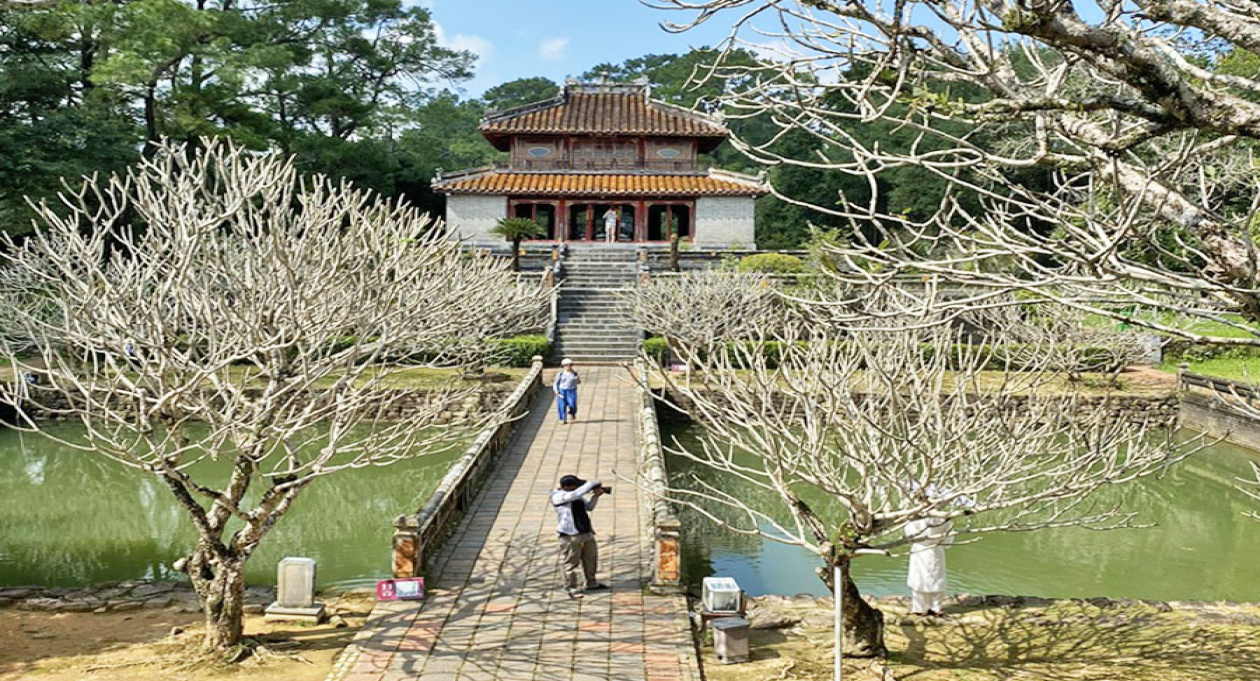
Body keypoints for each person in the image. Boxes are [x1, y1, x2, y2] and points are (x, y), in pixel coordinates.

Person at [550, 474, 608, 599]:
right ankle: (571, 588)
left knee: (590, 559)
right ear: (567, 487)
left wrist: (595, 496)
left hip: (586, 532)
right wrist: (590, 484)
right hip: (570, 535)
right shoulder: (558, 496)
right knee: (571, 563)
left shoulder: (576, 496)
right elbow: (574, 495)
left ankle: (591, 582)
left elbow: (589, 507)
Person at [904, 517, 954, 616]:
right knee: (937, 579)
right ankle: (936, 607)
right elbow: (949, 538)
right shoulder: (944, 519)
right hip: (936, 549)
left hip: (920, 550)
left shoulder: (915, 519)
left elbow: (909, 534)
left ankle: (919, 608)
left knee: (918, 579)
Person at [553, 358, 580, 424]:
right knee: (562, 405)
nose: (568, 367)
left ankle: (572, 413)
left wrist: (577, 379)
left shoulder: (574, 374)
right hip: (562, 390)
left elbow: (579, 382)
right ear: (563, 366)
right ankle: (562, 418)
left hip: (571, 391)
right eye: (566, 365)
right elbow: (555, 383)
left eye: (570, 365)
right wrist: (556, 391)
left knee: (572, 404)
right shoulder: (560, 374)